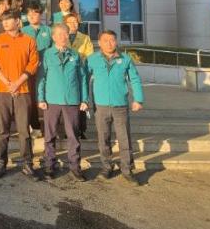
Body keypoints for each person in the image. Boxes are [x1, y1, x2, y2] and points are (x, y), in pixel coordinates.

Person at [87, 30, 144, 186]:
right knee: (103, 139)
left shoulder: (125, 59)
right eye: (105, 40)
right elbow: (84, 79)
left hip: (120, 106)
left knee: (124, 139)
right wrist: (85, 99)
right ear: (99, 43)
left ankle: (127, 170)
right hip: (101, 105)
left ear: (116, 42)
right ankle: (107, 167)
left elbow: (134, 79)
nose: (109, 43)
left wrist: (138, 99)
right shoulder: (92, 59)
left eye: (112, 40)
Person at [0, 10, 39, 180]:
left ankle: (27, 164)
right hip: (3, 91)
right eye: (3, 20)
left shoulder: (29, 40)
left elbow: (33, 64)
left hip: (22, 91)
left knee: (24, 130)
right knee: (2, 130)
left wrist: (17, 83)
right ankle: (0, 163)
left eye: (9, 20)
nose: (5, 23)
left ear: (18, 21)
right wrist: (8, 83)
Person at [37, 23, 89, 182]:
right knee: (50, 135)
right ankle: (49, 165)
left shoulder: (75, 55)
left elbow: (83, 78)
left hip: (72, 100)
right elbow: (41, 77)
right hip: (51, 100)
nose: (63, 37)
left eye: (66, 33)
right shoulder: (46, 54)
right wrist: (41, 98)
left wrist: (84, 99)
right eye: (59, 34)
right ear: (53, 37)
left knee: (73, 136)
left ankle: (75, 167)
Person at [21, 3, 53, 131]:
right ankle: (33, 125)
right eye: (29, 14)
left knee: (45, 95)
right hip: (28, 70)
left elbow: (53, 50)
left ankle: (50, 125)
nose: (32, 16)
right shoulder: (22, 31)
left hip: (45, 70)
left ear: (41, 14)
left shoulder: (48, 31)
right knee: (29, 97)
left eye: (35, 13)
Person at [65, 12, 94, 139]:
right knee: (67, 102)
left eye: (75, 22)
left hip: (81, 73)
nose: (73, 24)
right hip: (65, 74)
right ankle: (67, 129)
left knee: (82, 100)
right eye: (69, 22)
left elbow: (89, 56)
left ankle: (81, 129)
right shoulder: (61, 36)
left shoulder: (85, 38)